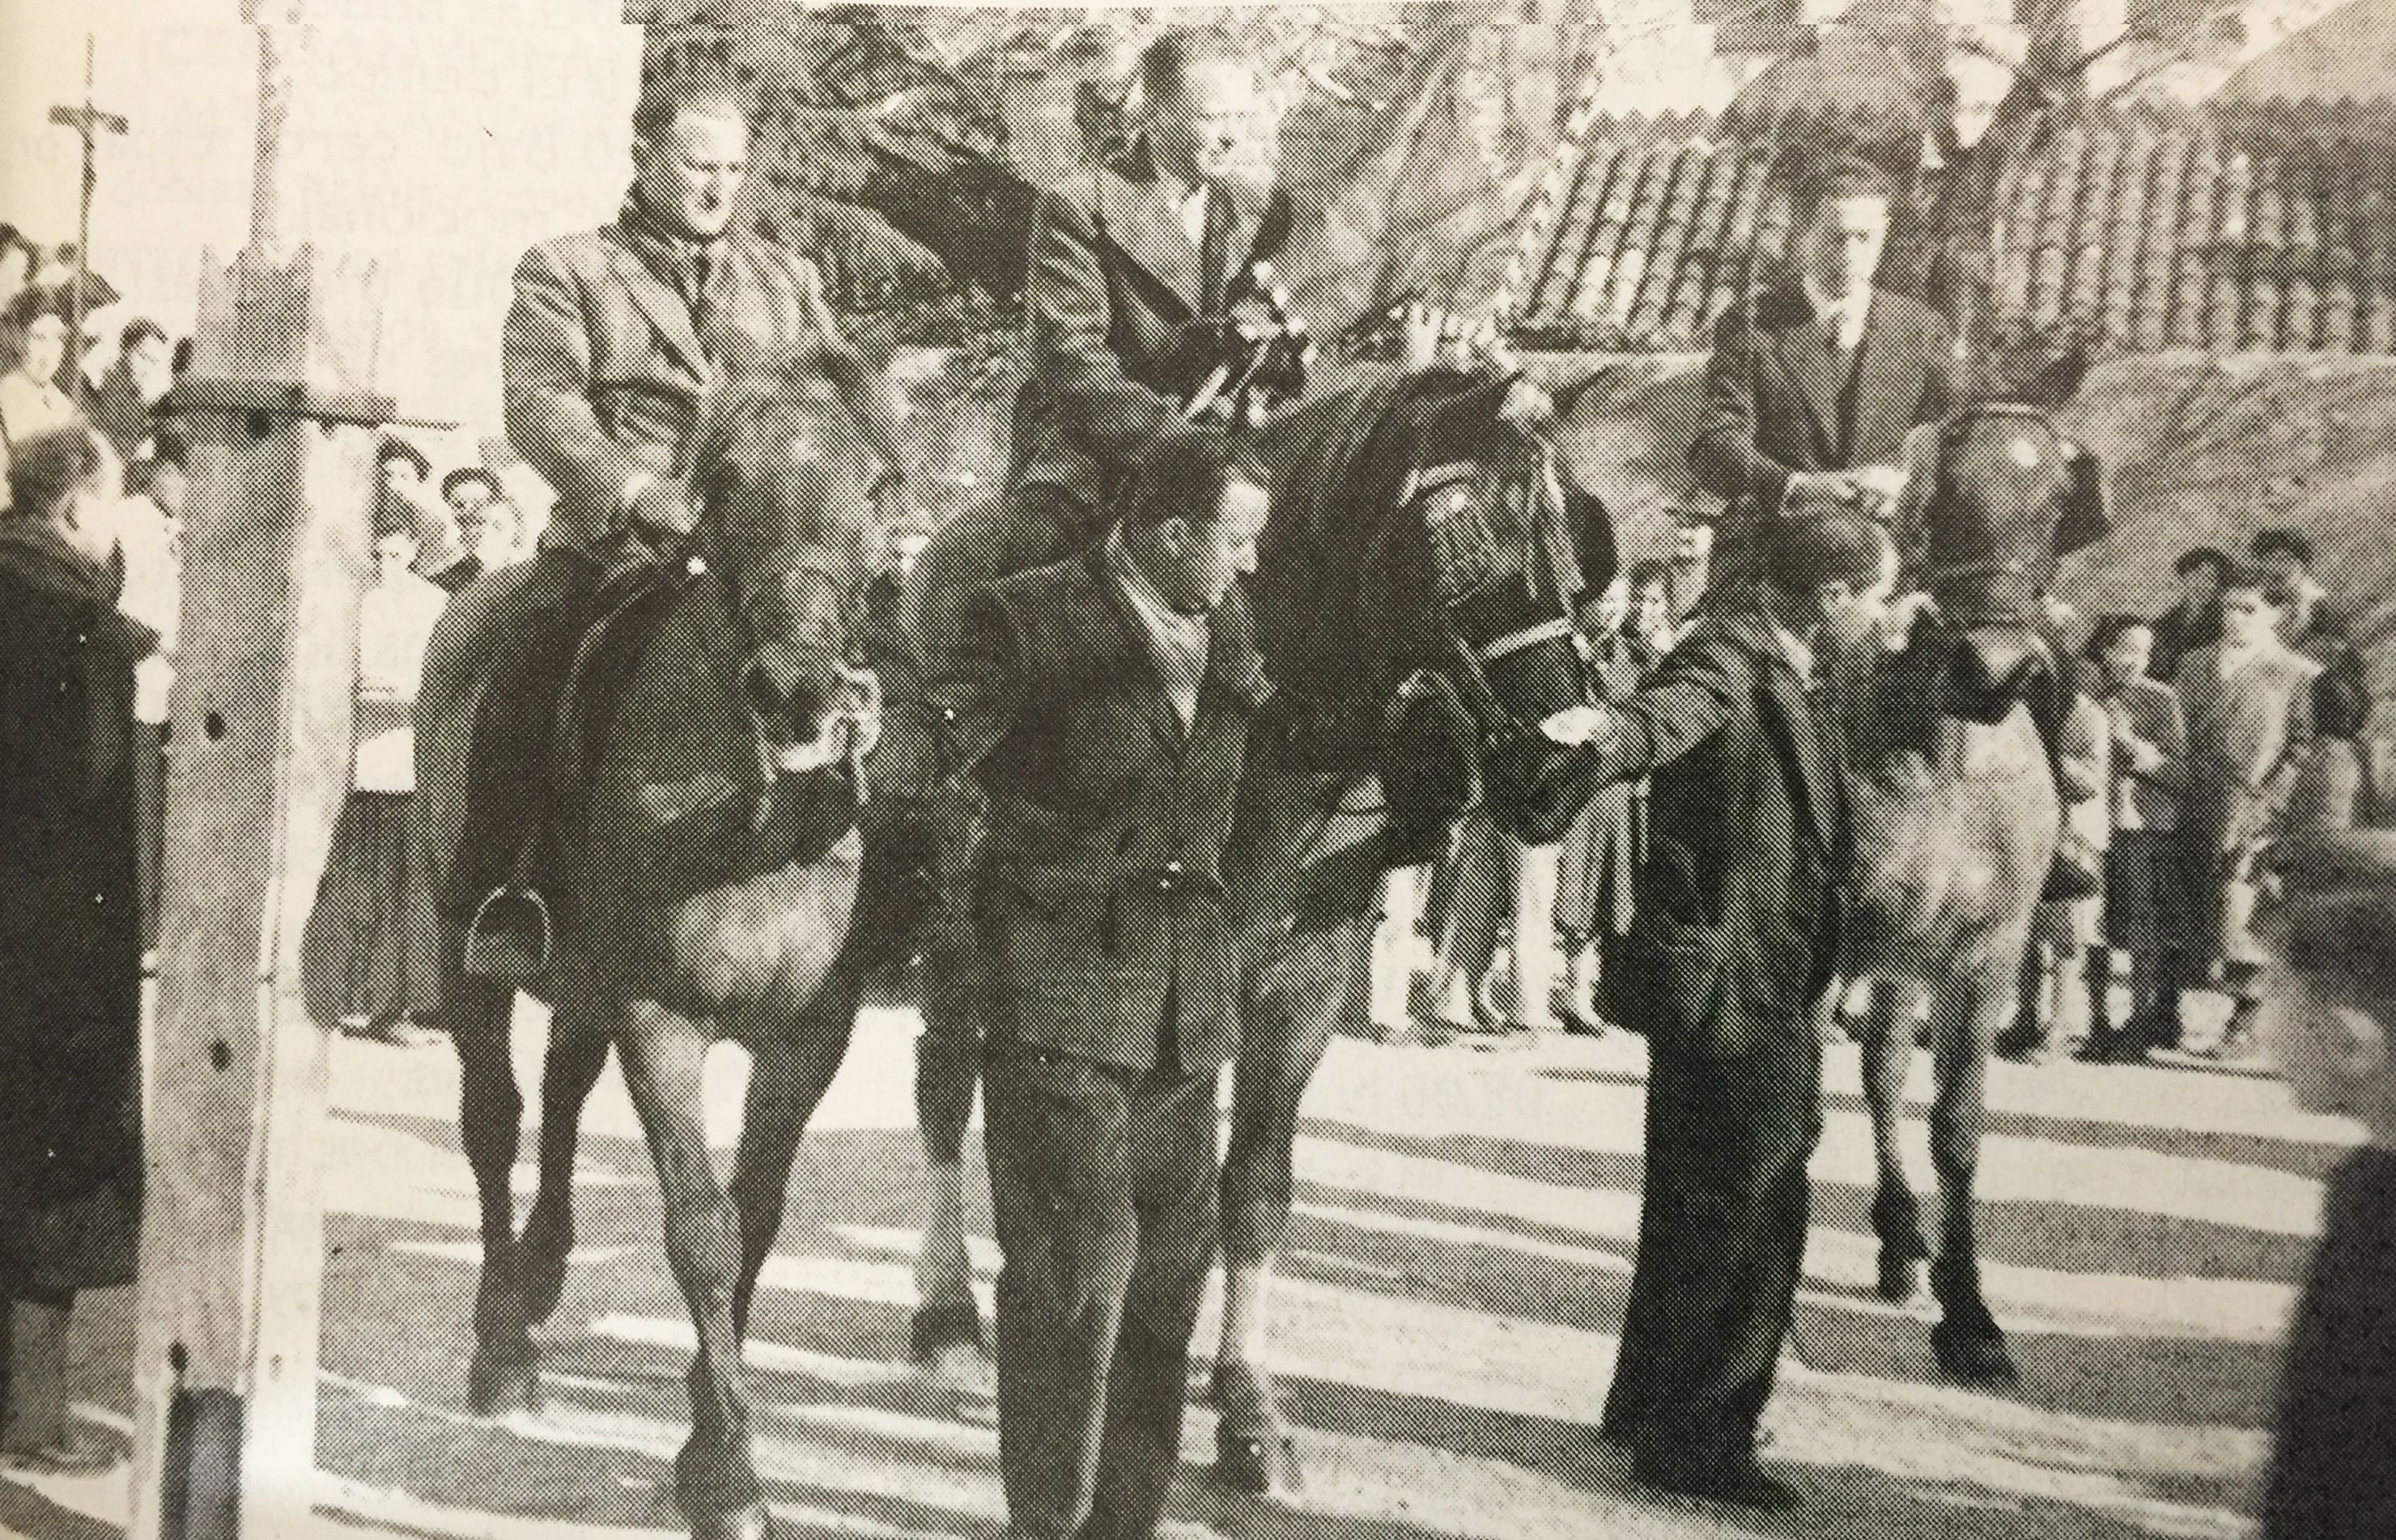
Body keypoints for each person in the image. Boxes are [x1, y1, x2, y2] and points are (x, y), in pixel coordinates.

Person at [891, 22, 1287, 1372]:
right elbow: (1069, 359)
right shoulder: (1082, 203)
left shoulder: (1252, 212)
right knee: (1008, 568)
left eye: (1242, 113)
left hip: (1215, 465)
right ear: (1156, 110)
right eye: (1207, 111)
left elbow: (1271, 358)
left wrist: (1274, 360)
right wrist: (1184, 441)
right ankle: (949, 770)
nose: (1224, 133)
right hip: (1096, 461)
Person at [911, 426, 1270, 1540]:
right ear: (1169, 532)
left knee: (1168, 1278)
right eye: (1236, 539)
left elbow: (1253, 744)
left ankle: (1126, 1518)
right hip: (1061, 990)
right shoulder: (1027, 614)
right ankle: (1049, 1523)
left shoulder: (1227, 619)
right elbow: (940, 734)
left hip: (1182, 1010)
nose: (1249, 564)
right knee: (1073, 1277)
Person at [459, 62, 903, 943]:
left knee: (889, 646)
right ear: (644, 156)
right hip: (621, 540)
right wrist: (634, 491)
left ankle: (892, 892)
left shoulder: (787, 281)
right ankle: (506, 887)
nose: (718, 187)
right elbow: (543, 405)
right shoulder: (567, 271)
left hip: (760, 542)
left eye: (733, 171)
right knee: (530, 659)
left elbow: (835, 397)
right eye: (699, 166)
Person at [1577, 511, 1880, 1512]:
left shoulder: (1784, 661)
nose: (1878, 618)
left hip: (1749, 969)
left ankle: (1645, 1404)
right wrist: (1598, 738)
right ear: (1830, 596)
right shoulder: (1730, 657)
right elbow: (1664, 718)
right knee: (1749, 1204)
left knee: (1692, 1195)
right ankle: (1701, 1434)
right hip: (1738, 977)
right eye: (1871, 598)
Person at [0, 427, 155, 1468]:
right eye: (109, 506)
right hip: (47, 952)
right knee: (46, 1183)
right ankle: (40, 1424)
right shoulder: (80, 638)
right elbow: (91, 800)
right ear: (71, 511)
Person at [1689, 153, 1958, 584]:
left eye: (1864, 239)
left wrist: (1903, 486)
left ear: (1885, 235)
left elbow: (1948, 442)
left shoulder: (1922, 329)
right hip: (1773, 566)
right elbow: (1714, 447)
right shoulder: (1752, 320)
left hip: (1880, 578)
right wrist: (1798, 487)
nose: (1850, 255)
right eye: (1836, 238)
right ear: (1806, 233)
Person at [2249, 827, 2396, 1538]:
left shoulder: (2375, 1215)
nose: (2258, 1018)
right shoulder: (2366, 1182)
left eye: (2274, 987)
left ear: (2350, 1040)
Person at [300, 525, 448, 1047]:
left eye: (397, 551)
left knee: (409, 888)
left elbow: (444, 681)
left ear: (415, 550)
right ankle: (338, 999)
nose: (388, 561)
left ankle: (396, 1009)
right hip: (355, 764)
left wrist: (409, 695)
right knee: (352, 886)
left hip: (408, 762)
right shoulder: (347, 601)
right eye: (379, 551)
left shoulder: (435, 604)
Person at [2173, 570, 2319, 1061]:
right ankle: (2160, 1013)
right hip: (2187, 799)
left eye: (2248, 610)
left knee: (2242, 915)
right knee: (2183, 906)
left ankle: (2246, 1023)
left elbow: (2301, 749)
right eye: (2228, 609)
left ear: (2276, 614)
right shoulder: (2194, 664)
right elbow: (2176, 732)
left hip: (2252, 808)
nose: (2234, 620)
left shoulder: (2297, 673)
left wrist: (2271, 805)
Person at [1553, 562, 1668, 1033]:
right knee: (1576, 897)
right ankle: (1572, 993)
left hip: (1626, 796)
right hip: (1590, 790)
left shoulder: (1651, 659)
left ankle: (1590, 993)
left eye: (1651, 602)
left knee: (1612, 899)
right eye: (1632, 599)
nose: (1634, 610)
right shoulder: (1587, 653)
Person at [2079, 616, 2187, 1063]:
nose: (2133, 660)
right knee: (2092, 925)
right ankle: (2096, 1021)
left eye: (2143, 652)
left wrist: (2139, 753)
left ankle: (2138, 1026)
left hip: (2143, 827)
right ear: (2105, 651)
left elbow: (2180, 775)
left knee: (2142, 928)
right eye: (2124, 649)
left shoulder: (2162, 700)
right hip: (2092, 825)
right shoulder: (2087, 698)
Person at [120, 448, 186, 962]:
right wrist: (157, 641)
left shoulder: (196, 522)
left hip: (183, 696)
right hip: (139, 686)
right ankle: (142, 937)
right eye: (181, 476)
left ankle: (167, 934)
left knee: (175, 818)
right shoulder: (128, 522)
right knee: (141, 816)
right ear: (163, 472)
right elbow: (107, 607)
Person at [2251, 528, 2345, 662]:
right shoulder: (2258, 603)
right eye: (2269, 561)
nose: (2276, 568)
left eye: (2284, 560)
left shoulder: (2320, 606)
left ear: (2302, 565)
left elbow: (2335, 656)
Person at [87, 318, 173, 465]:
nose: (147, 369)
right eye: (144, 357)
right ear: (125, 352)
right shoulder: (111, 391)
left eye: (154, 362)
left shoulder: (139, 398)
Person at [2151, 546, 2232, 683]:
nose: (2202, 584)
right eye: (2195, 575)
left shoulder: (2224, 622)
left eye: (2210, 578)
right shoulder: (2163, 623)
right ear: (2184, 577)